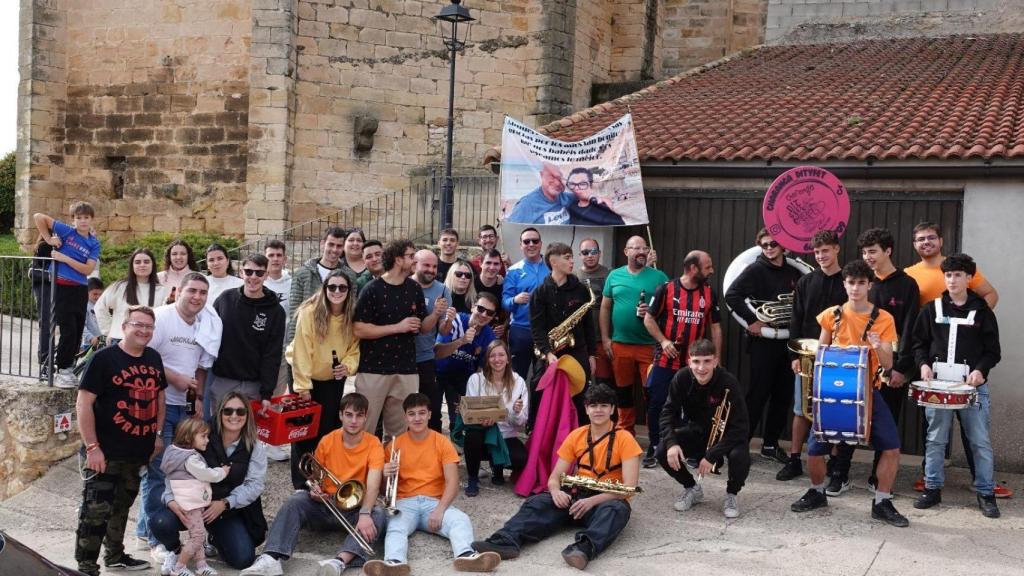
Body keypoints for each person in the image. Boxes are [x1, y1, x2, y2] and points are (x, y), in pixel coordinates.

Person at [790, 260, 909, 527]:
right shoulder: (830, 315)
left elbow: (888, 364)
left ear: (870, 285)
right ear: (844, 284)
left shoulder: (884, 318)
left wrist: (879, 346)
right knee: (815, 448)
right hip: (833, 391)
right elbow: (820, 355)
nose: (855, 288)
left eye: (861, 283)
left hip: (868, 392)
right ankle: (817, 492)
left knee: (891, 447)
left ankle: (881, 501)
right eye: (851, 282)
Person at [472, 384, 641, 570]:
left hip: (605, 499)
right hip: (577, 495)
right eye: (593, 405)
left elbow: (628, 488)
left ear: (612, 409)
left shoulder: (625, 438)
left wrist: (592, 501)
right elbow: (554, 478)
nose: (598, 410)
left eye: (604, 405)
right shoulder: (577, 435)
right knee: (537, 503)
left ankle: (583, 549)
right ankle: (506, 541)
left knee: (616, 510)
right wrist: (556, 492)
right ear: (586, 409)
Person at [904, 222, 1009, 498]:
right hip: (938, 382)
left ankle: (986, 493)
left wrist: (980, 371)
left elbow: (992, 351)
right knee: (935, 439)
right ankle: (932, 489)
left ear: (969, 278)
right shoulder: (931, 310)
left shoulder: (983, 312)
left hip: (971, 385)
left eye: (958, 275)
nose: (952, 280)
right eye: (948, 275)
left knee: (979, 441)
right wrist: (924, 364)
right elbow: (919, 343)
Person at [241, 393, 387, 576]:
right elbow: (315, 479)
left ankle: (339, 561)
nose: (354, 421)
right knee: (297, 499)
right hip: (324, 505)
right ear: (341, 415)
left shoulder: (373, 444)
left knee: (379, 513)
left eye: (359, 415)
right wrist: (315, 490)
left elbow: (373, 483)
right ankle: (271, 558)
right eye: (349, 414)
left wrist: (365, 513)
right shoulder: (327, 441)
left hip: (355, 509)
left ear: (366, 417)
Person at [362, 393, 502, 576]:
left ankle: (467, 556)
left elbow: (453, 482)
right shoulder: (394, 446)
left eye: (422, 413)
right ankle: (394, 563)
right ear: (405, 417)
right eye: (412, 414)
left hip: (434, 503)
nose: (417, 418)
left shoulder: (442, 442)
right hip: (404, 503)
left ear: (429, 414)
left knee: (460, 520)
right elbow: (384, 491)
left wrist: (440, 510)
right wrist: (385, 475)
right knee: (396, 527)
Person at [74, 305, 166, 575]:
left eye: (149, 326)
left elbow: (159, 397)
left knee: (121, 506)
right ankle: (86, 567)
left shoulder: (153, 358)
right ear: (124, 327)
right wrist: (92, 447)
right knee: (95, 511)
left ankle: (115, 555)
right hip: (104, 451)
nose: (144, 330)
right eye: (138, 324)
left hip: (137, 451)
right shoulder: (104, 359)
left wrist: (157, 436)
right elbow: (83, 404)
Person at [829, 228, 920, 495]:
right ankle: (839, 474)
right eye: (864, 252)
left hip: (889, 368)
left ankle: (876, 479)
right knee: (847, 420)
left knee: (885, 426)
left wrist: (901, 369)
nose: (868, 256)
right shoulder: (859, 281)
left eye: (873, 251)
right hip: (854, 369)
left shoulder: (907, 285)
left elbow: (911, 329)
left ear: (887, 251)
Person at [138, 272, 223, 559]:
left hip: (185, 409)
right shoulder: (162, 318)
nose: (197, 297)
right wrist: (172, 376)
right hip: (158, 405)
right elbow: (142, 356)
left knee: (178, 472)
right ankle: (156, 541)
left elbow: (202, 365)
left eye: (202, 292)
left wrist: (198, 397)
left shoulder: (205, 323)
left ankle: (145, 530)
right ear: (179, 291)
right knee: (158, 470)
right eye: (192, 291)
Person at [150, 392, 269, 572]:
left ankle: (213, 537)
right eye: (228, 411)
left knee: (243, 559)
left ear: (248, 415)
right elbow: (174, 468)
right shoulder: (202, 433)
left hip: (223, 509)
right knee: (160, 522)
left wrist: (226, 503)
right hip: (190, 504)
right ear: (220, 412)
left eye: (240, 411)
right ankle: (176, 550)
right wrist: (170, 499)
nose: (234, 416)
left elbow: (255, 485)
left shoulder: (254, 446)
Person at [723, 229, 802, 464]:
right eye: (765, 245)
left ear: (783, 246)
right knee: (757, 395)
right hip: (763, 343)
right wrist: (752, 320)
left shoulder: (793, 270)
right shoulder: (756, 269)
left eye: (773, 244)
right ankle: (740, 444)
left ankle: (770, 444)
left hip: (787, 342)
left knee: (782, 396)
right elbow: (732, 295)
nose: (769, 248)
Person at [777, 230, 846, 482]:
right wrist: (793, 356)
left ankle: (837, 463)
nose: (821, 256)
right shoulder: (806, 282)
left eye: (825, 250)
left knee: (835, 410)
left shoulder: (848, 281)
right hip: (806, 358)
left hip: (838, 358)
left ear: (836, 249)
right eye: (816, 252)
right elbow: (796, 321)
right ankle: (795, 459)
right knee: (800, 410)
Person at [644, 250, 722, 468]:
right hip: (665, 361)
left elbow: (716, 327)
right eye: (708, 267)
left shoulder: (708, 292)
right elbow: (648, 319)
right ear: (693, 268)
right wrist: (664, 341)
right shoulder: (666, 289)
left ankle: (691, 450)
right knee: (658, 403)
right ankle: (655, 446)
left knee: (695, 409)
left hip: (695, 364)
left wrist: (716, 358)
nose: (712, 271)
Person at [286, 269, 360, 490]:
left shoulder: (351, 315)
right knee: (303, 430)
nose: (337, 291)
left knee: (327, 429)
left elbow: (354, 349)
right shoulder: (310, 312)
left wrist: (347, 366)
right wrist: (303, 387)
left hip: (331, 378)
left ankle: (322, 477)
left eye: (342, 288)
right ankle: (301, 482)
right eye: (332, 287)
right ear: (325, 288)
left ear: (349, 291)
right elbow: (301, 349)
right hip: (304, 374)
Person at [658, 339, 750, 518]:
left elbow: (741, 427)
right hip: (698, 431)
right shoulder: (682, 378)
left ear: (715, 361)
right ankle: (692, 488)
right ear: (689, 361)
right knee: (662, 450)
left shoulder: (729, 382)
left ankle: (732, 494)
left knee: (740, 455)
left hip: (727, 437)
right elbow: (667, 414)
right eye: (696, 361)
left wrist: (712, 455)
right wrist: (671, 443)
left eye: (707, 361)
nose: (701, 367)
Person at [352, 240, 432, 437]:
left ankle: (393, 469)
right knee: (365, 429)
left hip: (406, 370)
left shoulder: (414, 288)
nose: (415, 260)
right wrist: (398, 327)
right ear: (398, 260)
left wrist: (436, 315)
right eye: (411, 256)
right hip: (374, 370)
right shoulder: (372, 289)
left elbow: (421, 326)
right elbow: (358, 329)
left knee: (400, 435)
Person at [599, 236, 668, 435]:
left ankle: (655, 433)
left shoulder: (659, 276)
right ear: (626, 251)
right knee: (623, 391)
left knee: (652, 392)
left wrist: (653, 311)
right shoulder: (614, 276)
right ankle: (626, 431)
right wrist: (605, 338)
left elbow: (669, 308)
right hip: (620, 345)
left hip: (649, 345)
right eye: (635, 247)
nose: (640, 251)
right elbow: (605, 307)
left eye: (644, 248)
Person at [33, 202, 102, 388]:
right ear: (73, 219)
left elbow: (88, 269)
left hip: (80, 287)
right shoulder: (67, 232)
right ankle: (62, 370)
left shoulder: (94, 242)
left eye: (86, 217)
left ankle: (69, 368)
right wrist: (48, 239)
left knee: (78, 330)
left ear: (91, 219)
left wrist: (65, 258)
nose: (82, 221)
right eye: (79, 218)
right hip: (62, 285)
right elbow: (38, 217)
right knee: (68, 329)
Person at [530, 242, 598, 428]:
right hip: (551, 350)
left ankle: (582, 432)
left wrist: (592, 354)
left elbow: (588, 325)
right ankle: (536, 428)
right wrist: (547, 352)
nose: (572, 261)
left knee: (581, 392)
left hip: (577, 349)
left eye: (571, 257)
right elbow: (537, 328)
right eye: (567, 257)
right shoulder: (540, 293)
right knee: (539, 387)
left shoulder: (581, 290)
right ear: (553, 261)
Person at [208, 254, 286, 415]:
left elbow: (272, 355)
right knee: (218, 434)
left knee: (248, 438)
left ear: (266, 275)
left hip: (253, 386)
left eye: (259, 273)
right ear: (241, 273)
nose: (253, 277)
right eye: (249, 272)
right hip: (223, 380)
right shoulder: (225, 299)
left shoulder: (276, 311)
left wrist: (266, 393)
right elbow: (209, 337)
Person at [160, 419, 230, 576]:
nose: (207, 440)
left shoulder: (172, 451)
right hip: (192, 503)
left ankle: (201, 564)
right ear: (188, 437)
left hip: (183, 501)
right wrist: (222, 471)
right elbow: (207, 474)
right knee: (197, 537)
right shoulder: (191, 458)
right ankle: (178, 568)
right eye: (203, 436)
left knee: (197, 533)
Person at [461, 340, 529, 495]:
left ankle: (496, 466)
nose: (497, 359)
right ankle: (473, 478)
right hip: (482, 432)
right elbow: (470, 414)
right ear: (487, 359)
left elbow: (520, 423)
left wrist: (516, 412)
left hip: (506, 434)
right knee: (472, 436)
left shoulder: (519, 382)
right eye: (492, 355)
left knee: (521, 459)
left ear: (508, 358)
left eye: (501, 355)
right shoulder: (476, 379)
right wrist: (482, 420)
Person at [434, 293, 498, 434]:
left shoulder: (489, 336)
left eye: (489, 312)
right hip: (438, 372)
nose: (483, 314)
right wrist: (461, 341)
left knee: (457, 420)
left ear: (492, 317)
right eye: (480, 309)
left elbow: (483, 370)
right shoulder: (456, 320)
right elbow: (437, 352)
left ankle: (455, 440)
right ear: (472, 307)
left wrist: (474, 396)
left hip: (462, 377)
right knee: (433, 416)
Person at [906, 222, 998, 308]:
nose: (926, 242)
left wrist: (975, 319)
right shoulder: (908, 274)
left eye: (931, 238)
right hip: (927, 324)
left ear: (941, 241)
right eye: (921, 239)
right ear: (915, 245)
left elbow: (990, 294)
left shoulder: (961, 266)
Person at [412, 249, 453, 432]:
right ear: (415, 265)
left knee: (432, 409)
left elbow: (443, 330)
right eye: (426, 265)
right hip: (401, 358)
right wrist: (435, 312)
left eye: (434, 266)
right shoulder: (406, 286)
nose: (431, 270)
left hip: (425, 357)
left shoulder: (443, 290)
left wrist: (449, 319)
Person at [503, 228, 550, 380]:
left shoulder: (552, 268)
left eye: (535, 241)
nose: (531, 244)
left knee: (543, 378)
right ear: (520, 245)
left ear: (541, 244)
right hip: (521, 331)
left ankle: (539, 405)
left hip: (547, 331)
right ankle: (517, 404)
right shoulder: (513, 271)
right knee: (517, 377)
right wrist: (515, 300)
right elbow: (505, 302)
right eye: (526, 241)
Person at [95, 248, 168, 343]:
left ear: (152, 265)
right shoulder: (119, 287)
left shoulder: (161, 290)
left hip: (149, 341)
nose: (142, 265)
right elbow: (100, 307)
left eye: (146, 262)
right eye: (137, 262)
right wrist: (109, 331)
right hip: (119, 339)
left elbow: (164, 318)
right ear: (132, 265)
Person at [287, 227, 347, 343]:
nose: (334, 250)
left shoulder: (349, 275)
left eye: (339, 246)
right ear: (322, 244)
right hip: (307, 337)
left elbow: (349, 310)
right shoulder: (303, 273)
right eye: (331, 244)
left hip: (336, 338)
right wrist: (292, 344)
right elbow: (295, 311)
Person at [575, 239, 612, 392]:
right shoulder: (573, 276)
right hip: (581, 341)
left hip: (604, 339)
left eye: (594, 252)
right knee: (583, 381)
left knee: (605, 382)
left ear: (600, 253)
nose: (590, 255)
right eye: (585, 252)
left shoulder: (611, 274)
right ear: (579, 255)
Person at [506, 163, 573, 225]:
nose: (557, 183)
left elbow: (581, 195)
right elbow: (511, 232)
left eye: (559, 178)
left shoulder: (566, 197)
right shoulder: (526, 205)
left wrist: (568, 185)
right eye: (552, 176)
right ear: (541, 175)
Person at [30, 235, 56, 379]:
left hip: (47, 287)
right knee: (46, 322)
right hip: (44, 288)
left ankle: (46, 356)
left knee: (46, 322)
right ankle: (46, 357)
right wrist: (54, 276)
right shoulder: (44, 246)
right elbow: (35, 270)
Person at [474, 249, 507, 339]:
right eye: (488, 263)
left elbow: (510, 314)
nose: (492, 267)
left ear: (500, 266)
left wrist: (504, 326)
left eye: (496, 264)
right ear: (480, 263)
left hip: (492, 337)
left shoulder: (504, 287)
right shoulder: (470, 284)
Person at [204, 244, 244, 308]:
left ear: (227, 261)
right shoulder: (201, 283)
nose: (216, 263)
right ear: (207, 264)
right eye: (211, 260)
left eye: (220, 258)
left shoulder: (241, 284)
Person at [262, 240, 292, 317]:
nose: (275, 259)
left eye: (279, 255)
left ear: (284, 259)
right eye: (271, 255)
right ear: (264, 259)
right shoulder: (258, 282)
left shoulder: (293, 284)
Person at [81, 277, 106, 352]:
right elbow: (82, 326)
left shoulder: (102, 306)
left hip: (102, 343)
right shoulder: (84, 306)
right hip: (90, 345)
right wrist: (91, 338)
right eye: (95, 294)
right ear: (86, 292)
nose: (98, 297)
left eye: (100, 294)